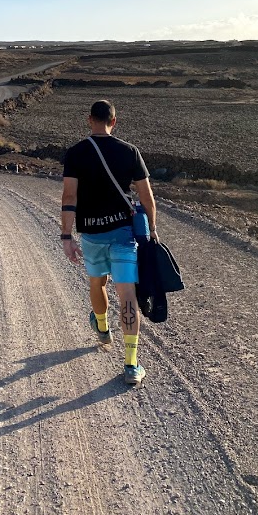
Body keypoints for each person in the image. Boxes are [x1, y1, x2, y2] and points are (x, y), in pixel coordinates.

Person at [60, 99, 157, 386]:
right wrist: (152, 230)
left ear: (90, 119)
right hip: (124, 235)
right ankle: (131, 364)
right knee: (127, 294)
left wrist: (67, 236)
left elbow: (69, 198)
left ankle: (102, 329)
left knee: (97, 283)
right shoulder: (130, 152)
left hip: (91, 234)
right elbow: (146, 198)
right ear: (114, 121)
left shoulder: (76, 153)